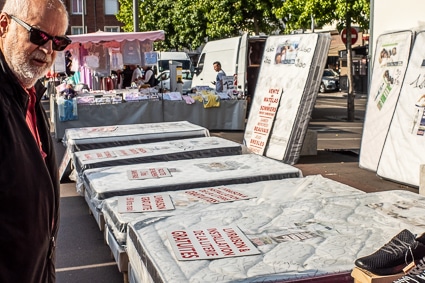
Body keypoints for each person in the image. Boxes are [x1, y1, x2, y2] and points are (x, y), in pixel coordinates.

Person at [0, 0, 71, 282]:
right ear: (3, 26)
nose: (47, 49)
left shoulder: (28, 93)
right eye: (38, 35)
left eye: (57, 41)